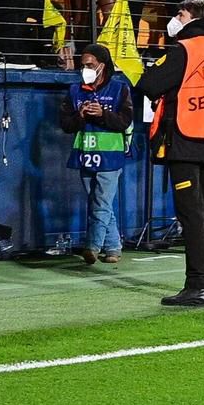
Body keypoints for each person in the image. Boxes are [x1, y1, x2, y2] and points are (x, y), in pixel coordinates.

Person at [135, 0, 204, 307]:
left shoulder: (185, 49)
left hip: (185, 138)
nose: (175, 19)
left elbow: (149, 83)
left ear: (193, 20)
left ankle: (197, 284)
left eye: (180, 14)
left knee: (190, 214)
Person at [59, 44, 133, 265]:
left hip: (110, 156)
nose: (86, 69)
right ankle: (113, 247)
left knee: (100, 203)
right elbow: (65, 124)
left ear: (103, 65)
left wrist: (103, 114)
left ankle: (92, 246)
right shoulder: (75, 91)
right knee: (99, 202)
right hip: (85, 154)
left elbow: (125, 122)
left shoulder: (120, 89)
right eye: (83, 66)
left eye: (90, 65)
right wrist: (80, 116)